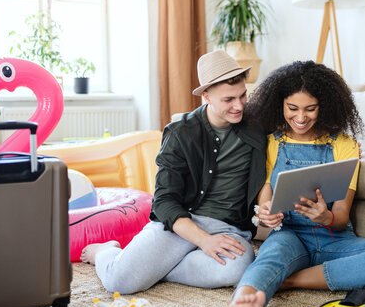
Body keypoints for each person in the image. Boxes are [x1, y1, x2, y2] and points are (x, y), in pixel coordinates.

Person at [224, 61, 365, 307]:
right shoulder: (272, 143)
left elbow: (342, 216)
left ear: (324, 107)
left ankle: (290, 280)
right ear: (280, 105)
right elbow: (265, 195)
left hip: (334, 239)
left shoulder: (345, 145)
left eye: (310, 109)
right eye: (292, 108)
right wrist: (265, 212)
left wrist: (327, 217)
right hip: (289, 236)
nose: (300, 118)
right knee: (270, 256)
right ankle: (242, 306)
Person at [80, 50, 267, 294]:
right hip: (183, 222)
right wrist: (203, 241)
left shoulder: (256, 127)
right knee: (119, 282)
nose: (239, 105)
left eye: (243, 96)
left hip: (229, 227)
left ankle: (154, 270)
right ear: (207, 96)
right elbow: (165, 202)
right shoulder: (180, 133)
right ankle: (107, 251)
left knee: (239, 268)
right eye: (228, 99)